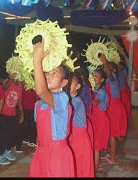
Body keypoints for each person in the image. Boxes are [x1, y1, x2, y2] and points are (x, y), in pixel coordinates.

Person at [28, 38, 75, 177]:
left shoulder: (62, 99)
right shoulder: (39, 104)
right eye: (47, 72)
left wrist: (37, 61)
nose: (48, 76)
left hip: (57, 156)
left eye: (54, 73)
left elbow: (41, 91)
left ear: (64, 82)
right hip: (41, 152)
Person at [99, 53, 127, 165]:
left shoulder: (113, 78)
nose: (106, 69)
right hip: (114, 107)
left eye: (109, 68)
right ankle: (111, 153)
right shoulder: (108, 80)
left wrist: (104, 61)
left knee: (112, 134)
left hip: (114, 108)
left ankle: (113, 158)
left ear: (114, 70)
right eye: (105, 68)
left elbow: (108, 73)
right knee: (112, 133)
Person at [67, 71, 94, 177]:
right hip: (73, 137)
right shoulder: (70, 99)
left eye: (71, 83)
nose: (68, 84)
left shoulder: (76, 101)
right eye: (67, 82)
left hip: (78, 139)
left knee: (78, 168)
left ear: (78, 86)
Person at [0, 72, 24, 165]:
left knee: (13, 135)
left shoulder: (19, 85)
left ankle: (6, 151)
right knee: (3, 136)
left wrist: (22, 113)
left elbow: (19, 101)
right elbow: (2, 89)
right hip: (3, 113)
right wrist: (10, 79)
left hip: (13, 114)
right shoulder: (7, 82)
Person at [90, 68, 110, 174]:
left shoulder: (101, 91)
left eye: (96, 76)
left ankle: (95, 171)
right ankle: (98, 164)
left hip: (100, 120)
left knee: (96, 147)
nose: (93, 78)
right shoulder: (94, 89)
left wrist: (85, 94)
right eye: (93, 75)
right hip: (95, 119)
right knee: (94, 145)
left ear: (102, 80)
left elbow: (94, 103)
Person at [16, 83, 37, 150]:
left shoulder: (35, 84)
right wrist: (21, 112)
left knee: (32, 125)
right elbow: (19, 99)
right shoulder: (22, 85)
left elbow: (37, 96)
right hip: (24, 108)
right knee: (22, 127)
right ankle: (18, 145)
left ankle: (31, 140)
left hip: (33, 108)